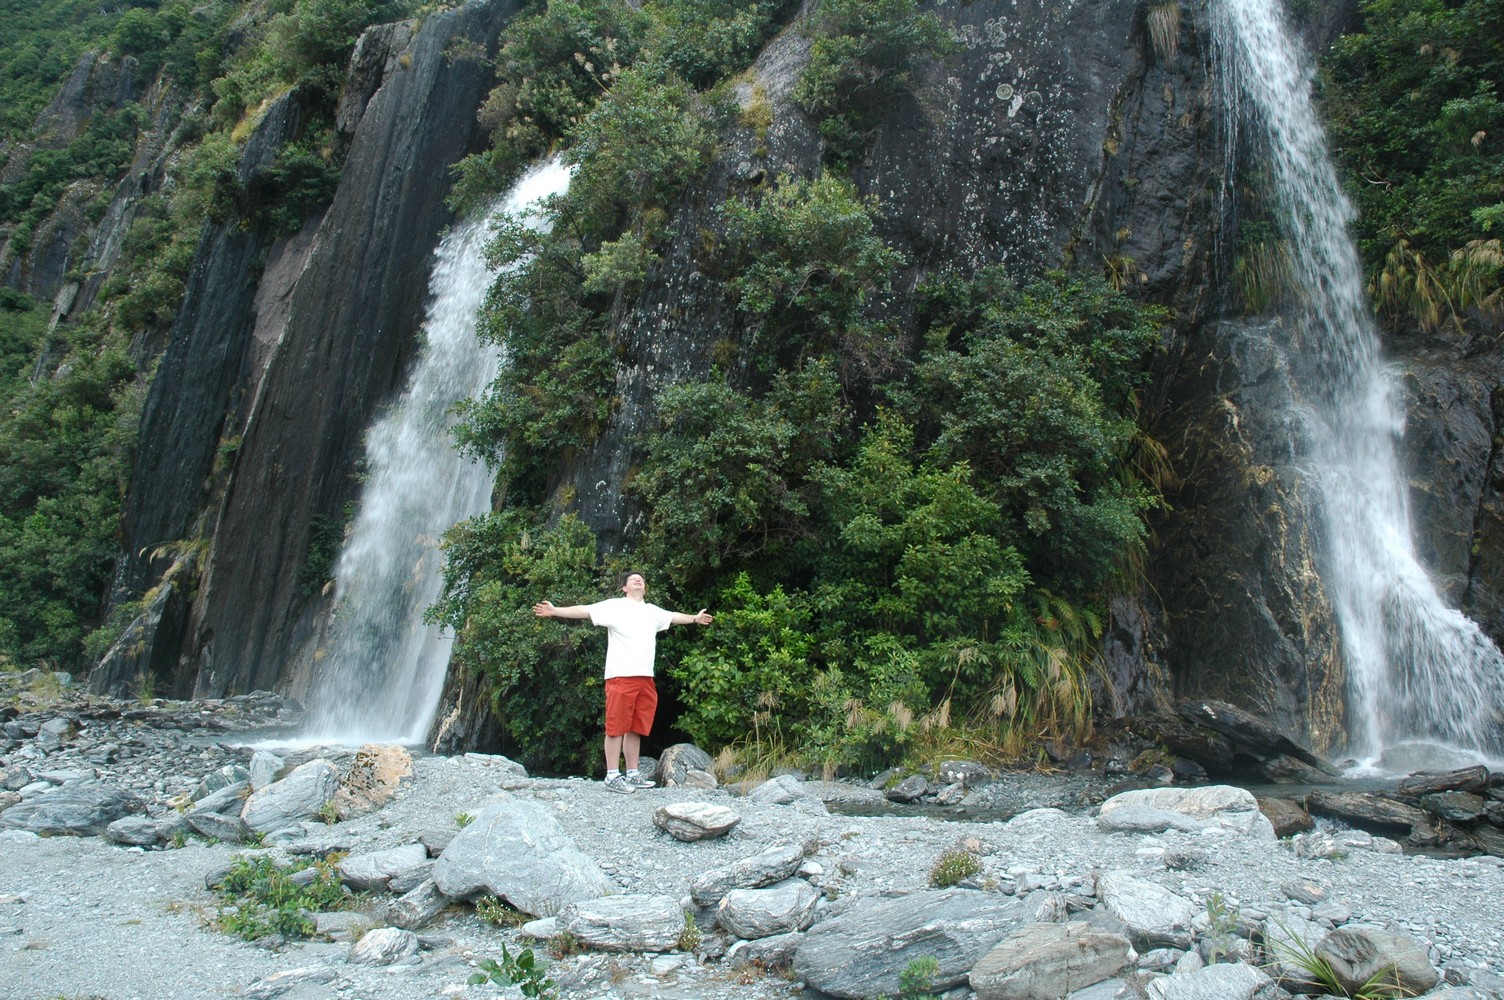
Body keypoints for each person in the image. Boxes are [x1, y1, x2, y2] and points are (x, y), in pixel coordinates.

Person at [533, 571, 713, 793]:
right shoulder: (615, 606)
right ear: (624, 588)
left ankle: (632, 773)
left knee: (635, 728)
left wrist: (695, 618)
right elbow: (585, 610)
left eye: (641, 579)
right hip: (621, 675)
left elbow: (674, 616)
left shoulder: (652, 612)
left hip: (645, 677)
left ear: (644, 587)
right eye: (633, 579)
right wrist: (554, 611)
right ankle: (611, 775)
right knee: (616, 726)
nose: (638, 579)